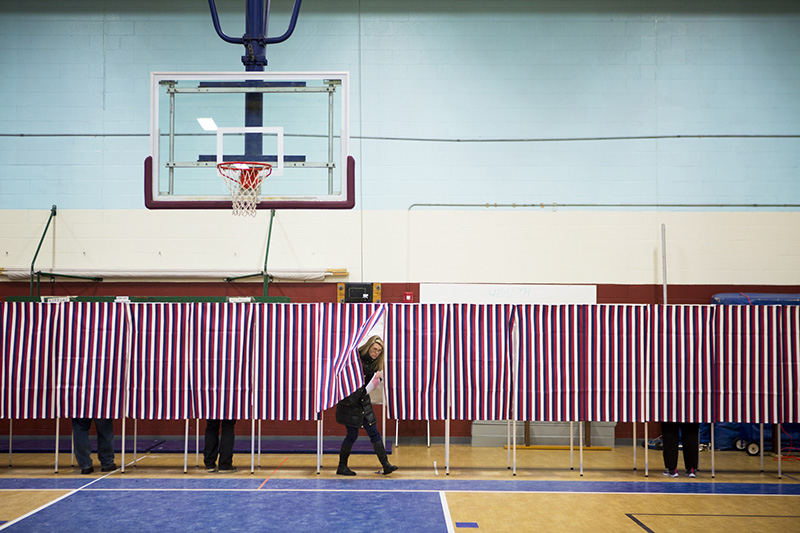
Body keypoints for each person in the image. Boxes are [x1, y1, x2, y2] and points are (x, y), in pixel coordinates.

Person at [335, 335, 398, 476]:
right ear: (368, 347)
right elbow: (353, 387)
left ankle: (386, 465)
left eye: (379, 351)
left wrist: (374, 382)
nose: (376, 353)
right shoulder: (356, 361)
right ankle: (341, 466)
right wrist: (373, 383)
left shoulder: (373, 365)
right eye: (374, 349)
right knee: (352, 435)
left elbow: (364, 389)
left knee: (374, 433)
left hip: (363, 403)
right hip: (350, 404)